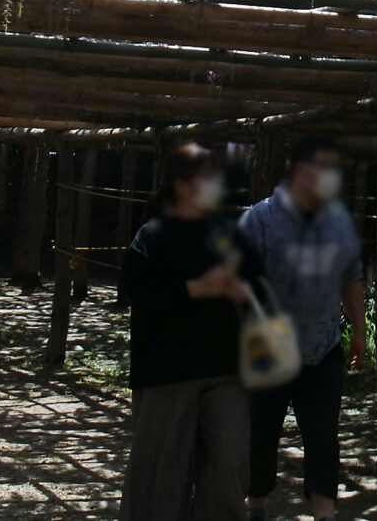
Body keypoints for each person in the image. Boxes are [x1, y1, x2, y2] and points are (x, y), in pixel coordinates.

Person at [121, 141, 264, 521]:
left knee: (230, 462)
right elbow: (138, 291)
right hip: (167, 371)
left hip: (226, 368)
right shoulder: (152, 236)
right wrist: (199, 288)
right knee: (161, 474)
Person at [240, 137, 367, 521]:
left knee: (323, 439)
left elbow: (351, 278)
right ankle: (256, 507)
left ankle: (324, 514)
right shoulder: (259, 219)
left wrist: (359, 329)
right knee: (261, 435)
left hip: (322, 349)